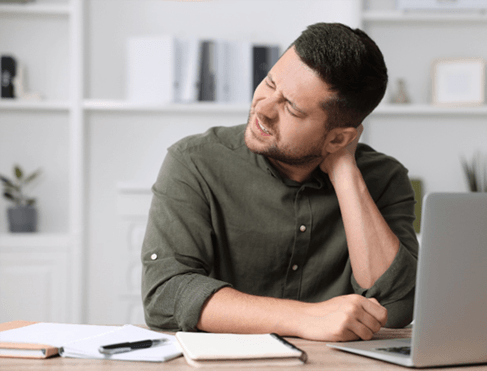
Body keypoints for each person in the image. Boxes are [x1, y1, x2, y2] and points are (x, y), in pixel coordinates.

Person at [141, 22, 418, 342]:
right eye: (269, 83)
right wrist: (305, 317)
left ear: (339, 137)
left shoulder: (385, 179)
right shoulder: (194, 162)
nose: (262, 108)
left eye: (291, 108)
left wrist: (343, 168)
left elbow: (396, 306)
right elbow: (166, 293)